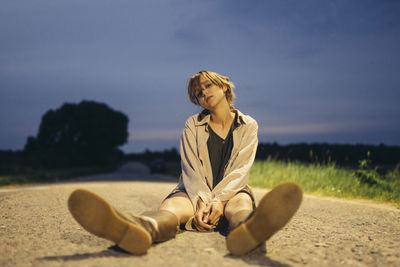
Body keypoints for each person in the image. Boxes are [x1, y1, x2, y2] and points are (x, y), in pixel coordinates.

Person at [68, 70, 303, 256]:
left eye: (208, 86)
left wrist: (220, 202)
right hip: (194, 191)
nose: (204, 93)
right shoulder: (193, 124)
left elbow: (241, 169)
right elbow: (191, 169)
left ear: (223, 86)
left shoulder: (248, 124)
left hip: (233, 191)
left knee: (240, 206)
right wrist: (202, 201)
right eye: (199, 93)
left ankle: (249, 229)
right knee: (171, 209)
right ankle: (139, 228)